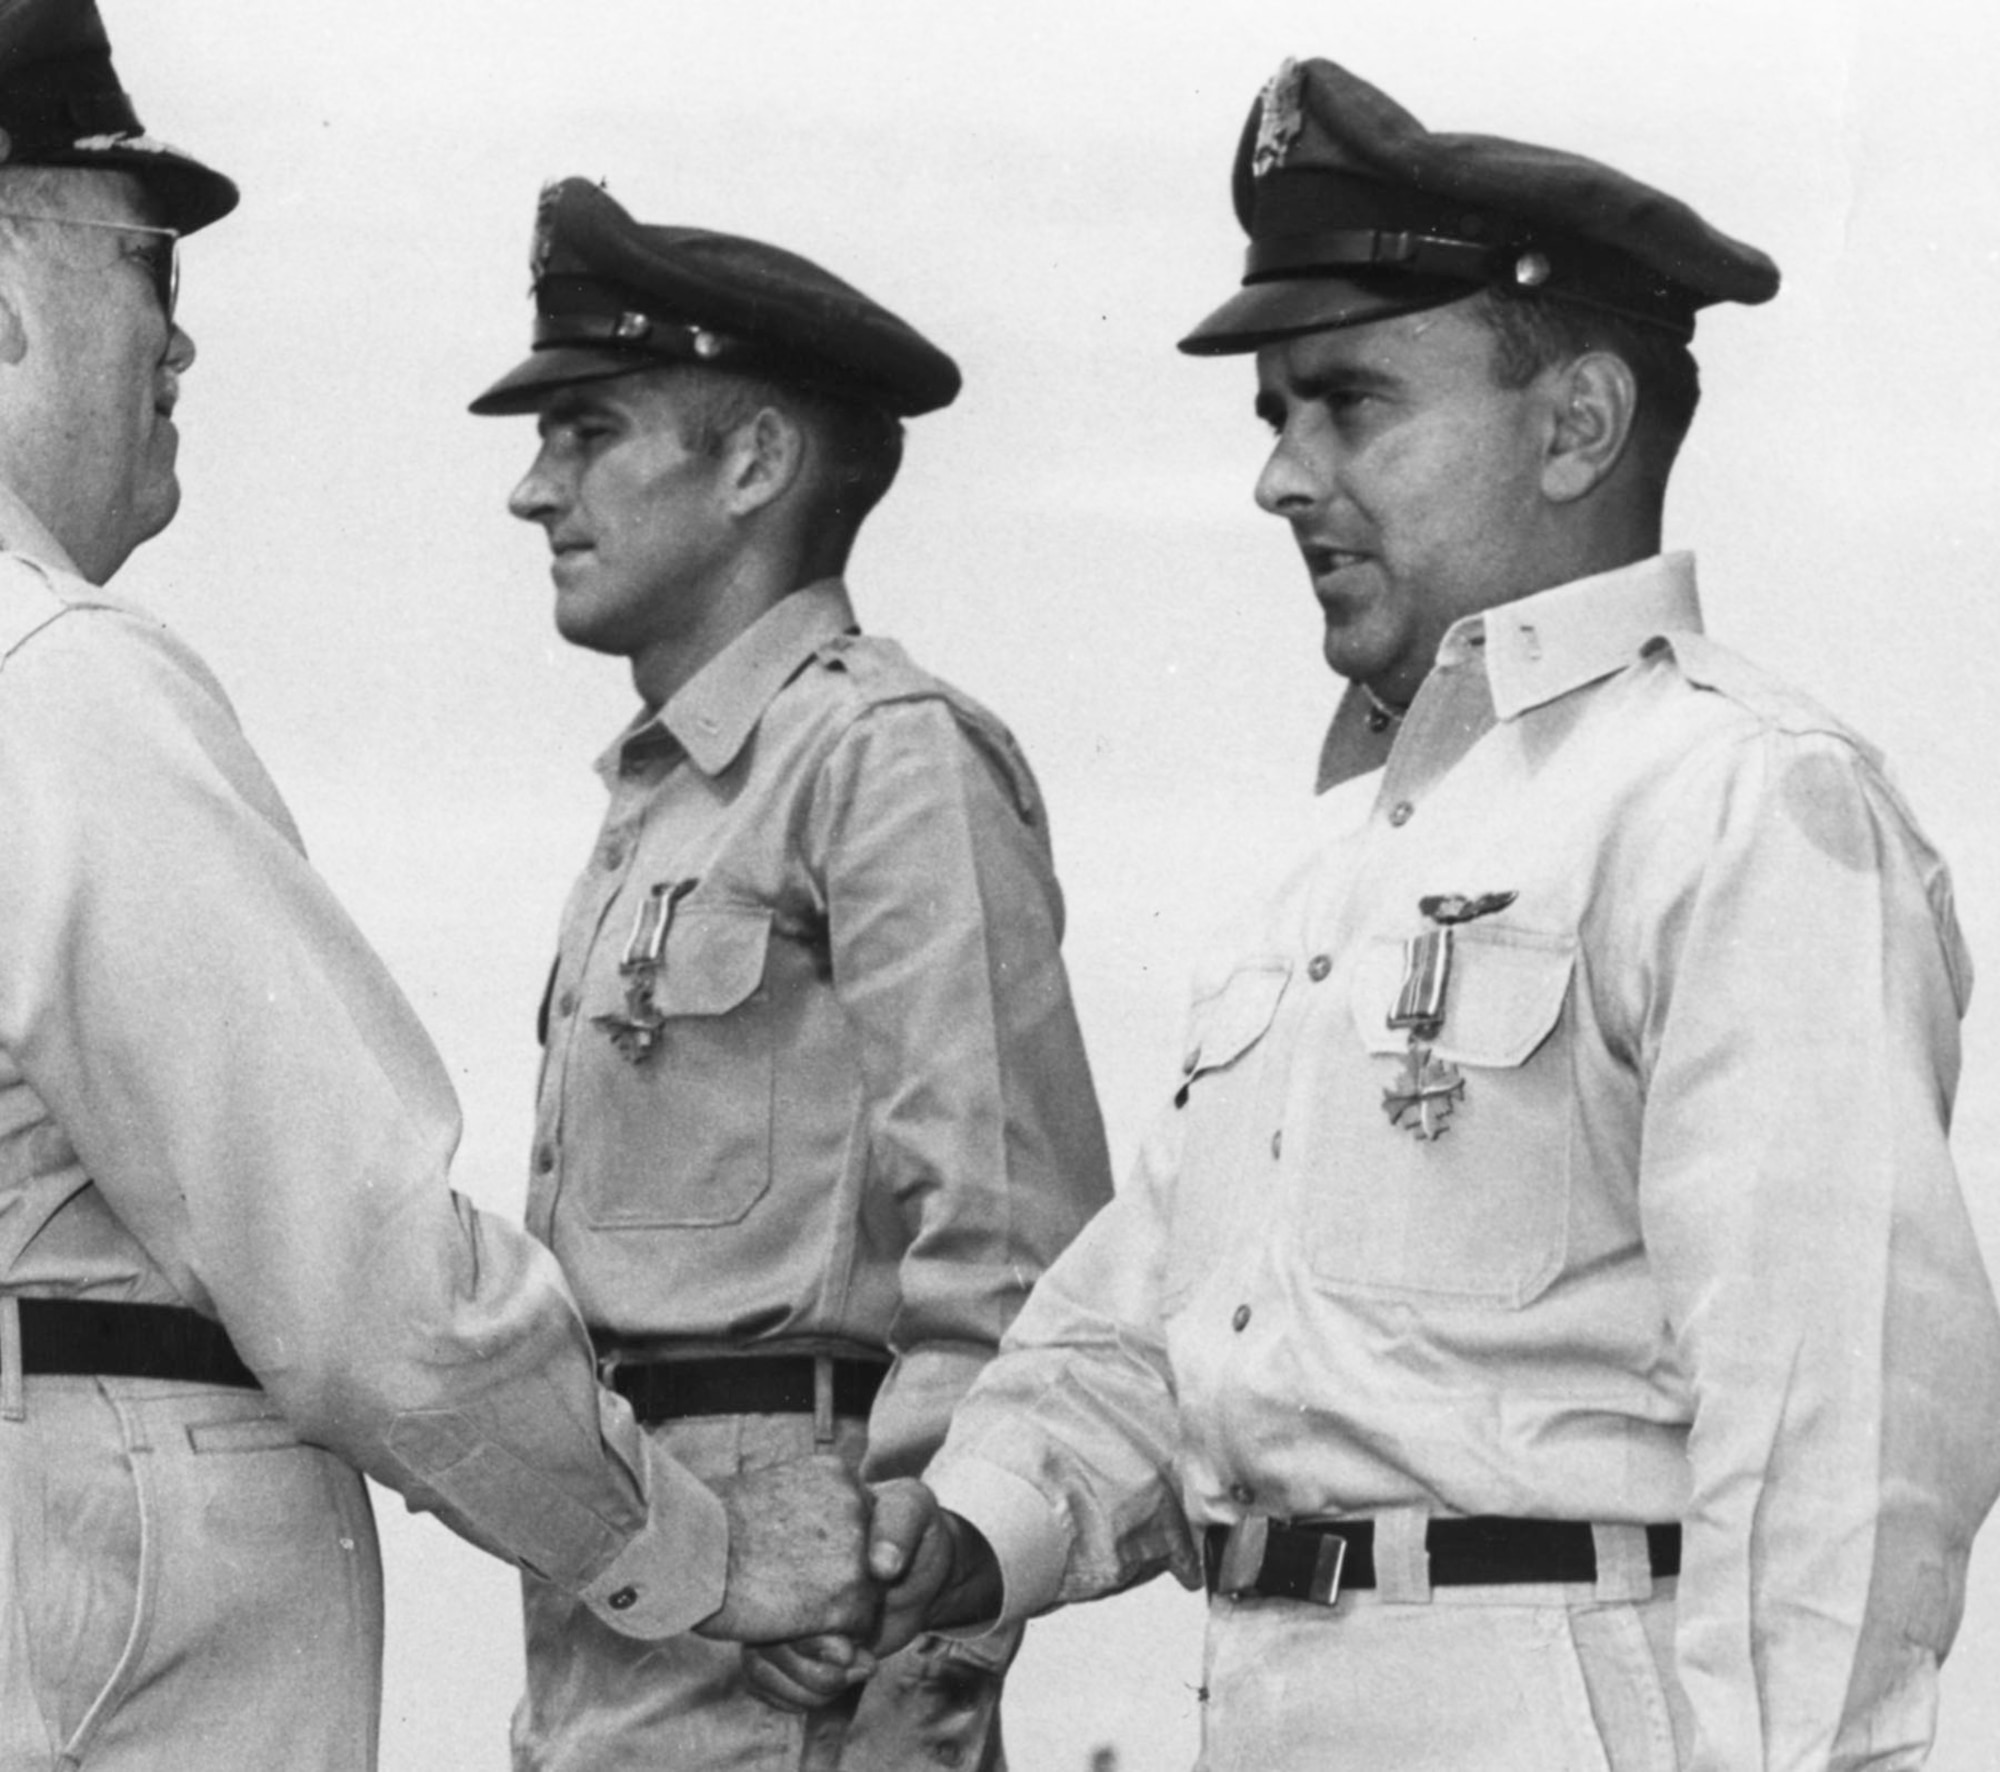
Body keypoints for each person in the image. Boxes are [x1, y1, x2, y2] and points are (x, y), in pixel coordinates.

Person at [754, 54, 2000, 1769]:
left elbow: (1841, 1446)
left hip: (1555, 1702)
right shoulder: (1334, 870)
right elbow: (1162, 1330)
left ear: (1575, 426)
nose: (1283, 475)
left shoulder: (1737, 801)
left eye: (1350, 404)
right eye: (1278, 416)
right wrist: (968, 1533)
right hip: (1267, 1699)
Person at [0, 10, 873, 1771]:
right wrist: (699, 1553)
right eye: (150, 265)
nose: (182, 340)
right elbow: (370, 1289)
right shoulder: (55, 680)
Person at [469, 178, 1113, 1770]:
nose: (533, 490)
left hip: (811, 1643)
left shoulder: (883, 761)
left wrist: (924, 1648)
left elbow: (1014, 1251)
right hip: (632, 1594)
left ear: (754, 462)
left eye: (589, 432)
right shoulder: (668, 799)